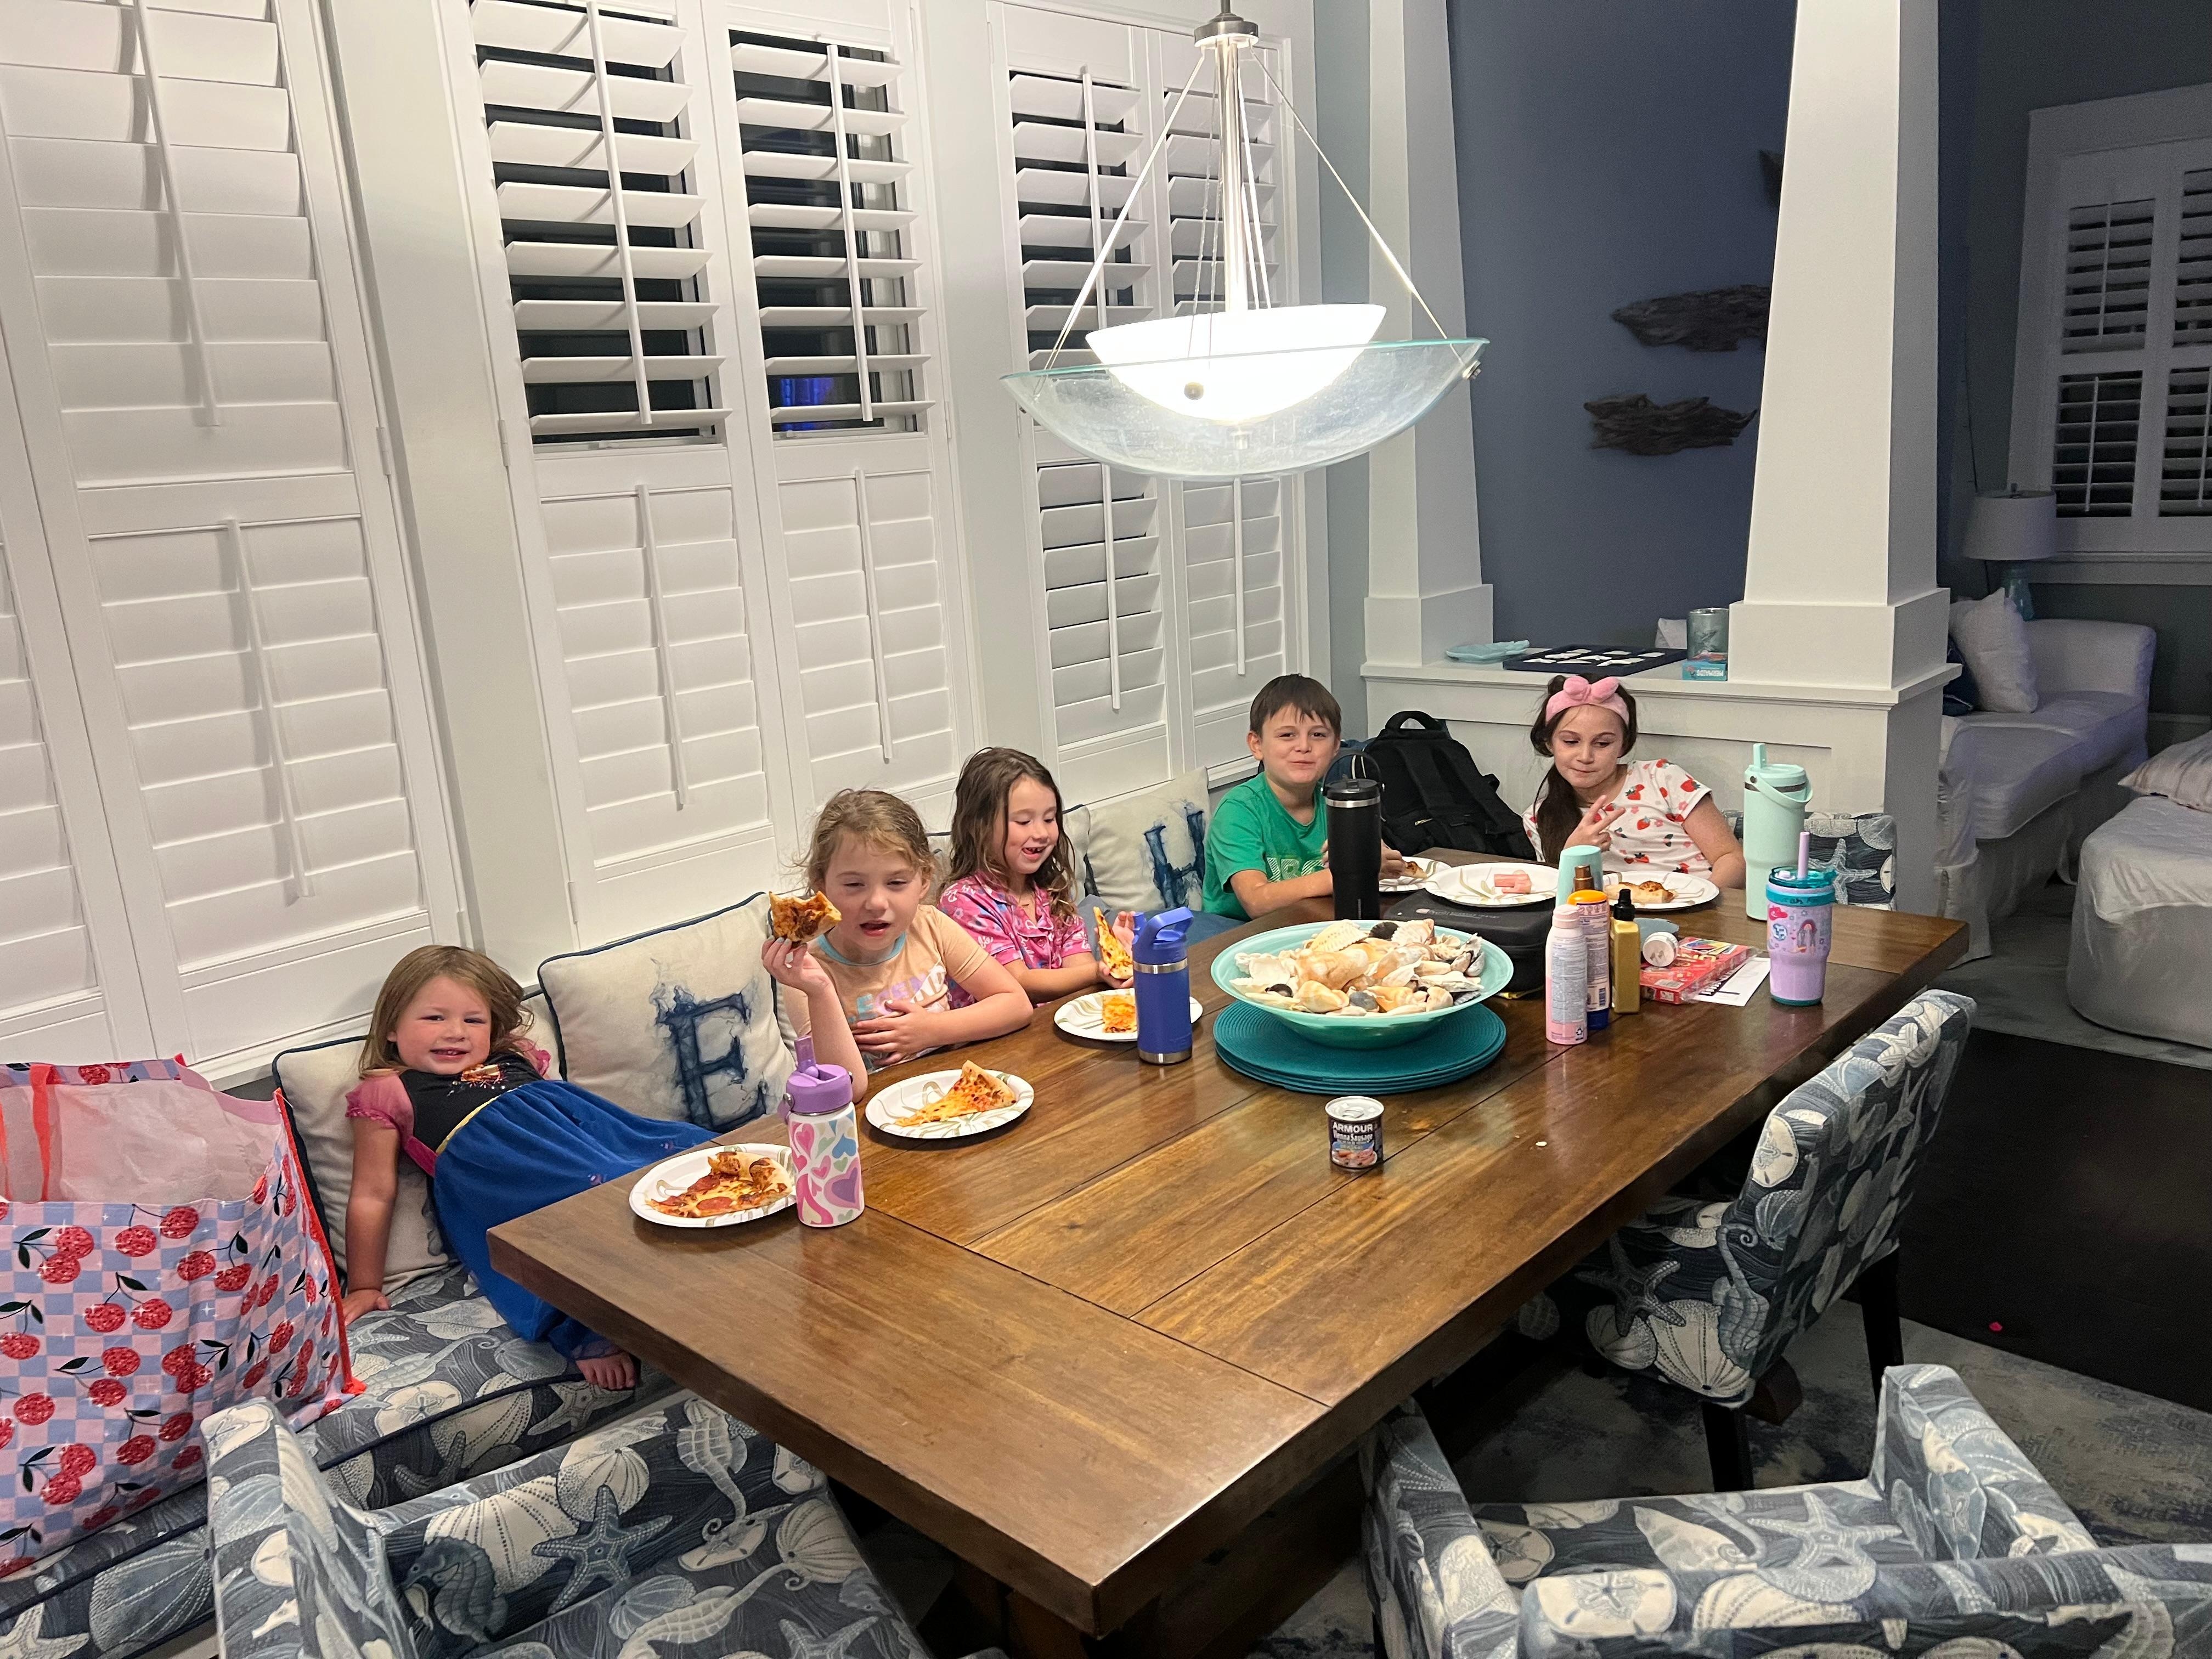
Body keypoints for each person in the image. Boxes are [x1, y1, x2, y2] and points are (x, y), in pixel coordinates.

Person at [341, 945, 711, 1391]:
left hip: (589, 1146)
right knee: (579, 1217)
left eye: (473, 1020)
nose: (455, 1033)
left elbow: (566, 1115)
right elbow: (373, 1194)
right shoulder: (389, 1090)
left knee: (685, 1153)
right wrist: (364, 1285)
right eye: (434, 1018)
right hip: (513, 1182)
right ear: (392, 1028)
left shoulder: (513, 1053)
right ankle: (588, 1330)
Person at [760, 789, 1031, 1091]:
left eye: (896, 882)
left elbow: (1016, 1005)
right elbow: (847, 1088)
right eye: (854, 884)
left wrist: (932, 1031)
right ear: (821, 885)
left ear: (924, 880)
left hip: (954, 1097)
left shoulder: (931, 927)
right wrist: (821, 992)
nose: (876, 902)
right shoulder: (808, 973)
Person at [1201, 673, 1406, 925]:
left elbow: (1379, 857)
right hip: (1239, 934)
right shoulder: (1238, 810)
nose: (1304, 746)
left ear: (1336, 746)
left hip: (1313, 925)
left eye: (1318, 735)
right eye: (1287, 735)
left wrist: (1381, 861)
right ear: (1257, 745)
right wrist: (1348, 874)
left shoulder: (1339, 804)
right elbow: (1256, 901)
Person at [938, 747, 1133, 1005]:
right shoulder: (963, 901)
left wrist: (1116, 961)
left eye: (1049, 819)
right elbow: (1017, 982)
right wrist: (1098, 972)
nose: (1041, 833)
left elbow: (1079, 970)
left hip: (1056, 1023)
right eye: (1024, 822)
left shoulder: (1050, 891)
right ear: (980, 826)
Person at [1523, 674, 1746, 886]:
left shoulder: (1663, 778)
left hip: (1702, 905)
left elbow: (1732, 859)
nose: (1585, 757)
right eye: (1571, 742)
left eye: (1603, 744)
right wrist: (1573, 855)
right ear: (1549, 743)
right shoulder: (1538, 817)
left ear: (1623, 745)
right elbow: (1559, 898)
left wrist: (1705, 901)